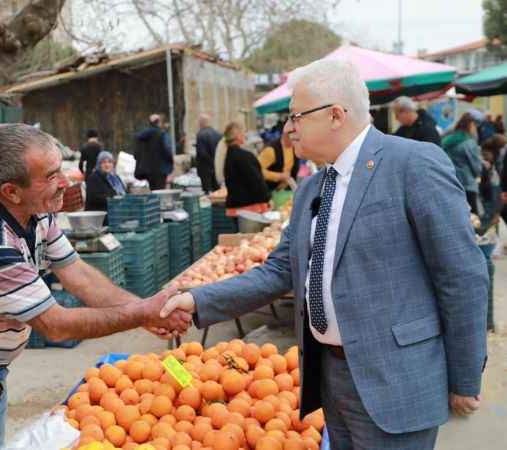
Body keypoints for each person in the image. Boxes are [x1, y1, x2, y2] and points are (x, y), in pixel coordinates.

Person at [161, 59, 488, 450]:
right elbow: (279, 271)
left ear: (335, 115)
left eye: (296, 116)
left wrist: (465, 378)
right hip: (331, 379)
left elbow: (462, 276)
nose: (287, 128)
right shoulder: (312, 189)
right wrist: (197, 299)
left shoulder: (413, 164)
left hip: (396, 382)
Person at [0, 124, 190, 450]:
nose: (63, 182)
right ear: (11, 191)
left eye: (60, 169)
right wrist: (140, 314)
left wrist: (146, 310)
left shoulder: (34, 212)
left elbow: (77, 274)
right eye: (50, 176)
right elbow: (56, 325)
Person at [477, 139, 503, 331]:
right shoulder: (488, 168)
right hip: (485, 222)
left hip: (483, 223)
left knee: (486, 267)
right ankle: (487, 322)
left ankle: (487, 322)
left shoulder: (485, 168)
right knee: (487, 267)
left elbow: (494, 196)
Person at [222, 121, 270, 217]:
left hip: (234, 207)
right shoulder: (244, 156)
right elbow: (256, 182)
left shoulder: (228, 155)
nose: (245, 135)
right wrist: (267, 198)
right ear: (238, 136)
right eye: (243, 132)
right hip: (250, 208)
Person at [441, 111, 484, 214]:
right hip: (467, 184)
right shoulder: (469, 143)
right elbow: (477, 168)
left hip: (450, 182)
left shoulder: (447, 139)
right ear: (471, 125)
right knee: (472, 218)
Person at [134, 114, 174, 190]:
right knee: (160, 192)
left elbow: (136, 154)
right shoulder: (161, 134)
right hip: (161, 169)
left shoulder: (141, 136)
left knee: (153, 190)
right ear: (159, 123)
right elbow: (167, 150)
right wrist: (171, 161)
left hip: (147, 170)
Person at [195, 114, 221, 193]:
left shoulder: (200, 134)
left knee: (207, 191)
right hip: (216, 166)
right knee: (217, 189)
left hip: (205, 167)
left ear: (201, 123)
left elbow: (202, 152)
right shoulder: (218, 134)